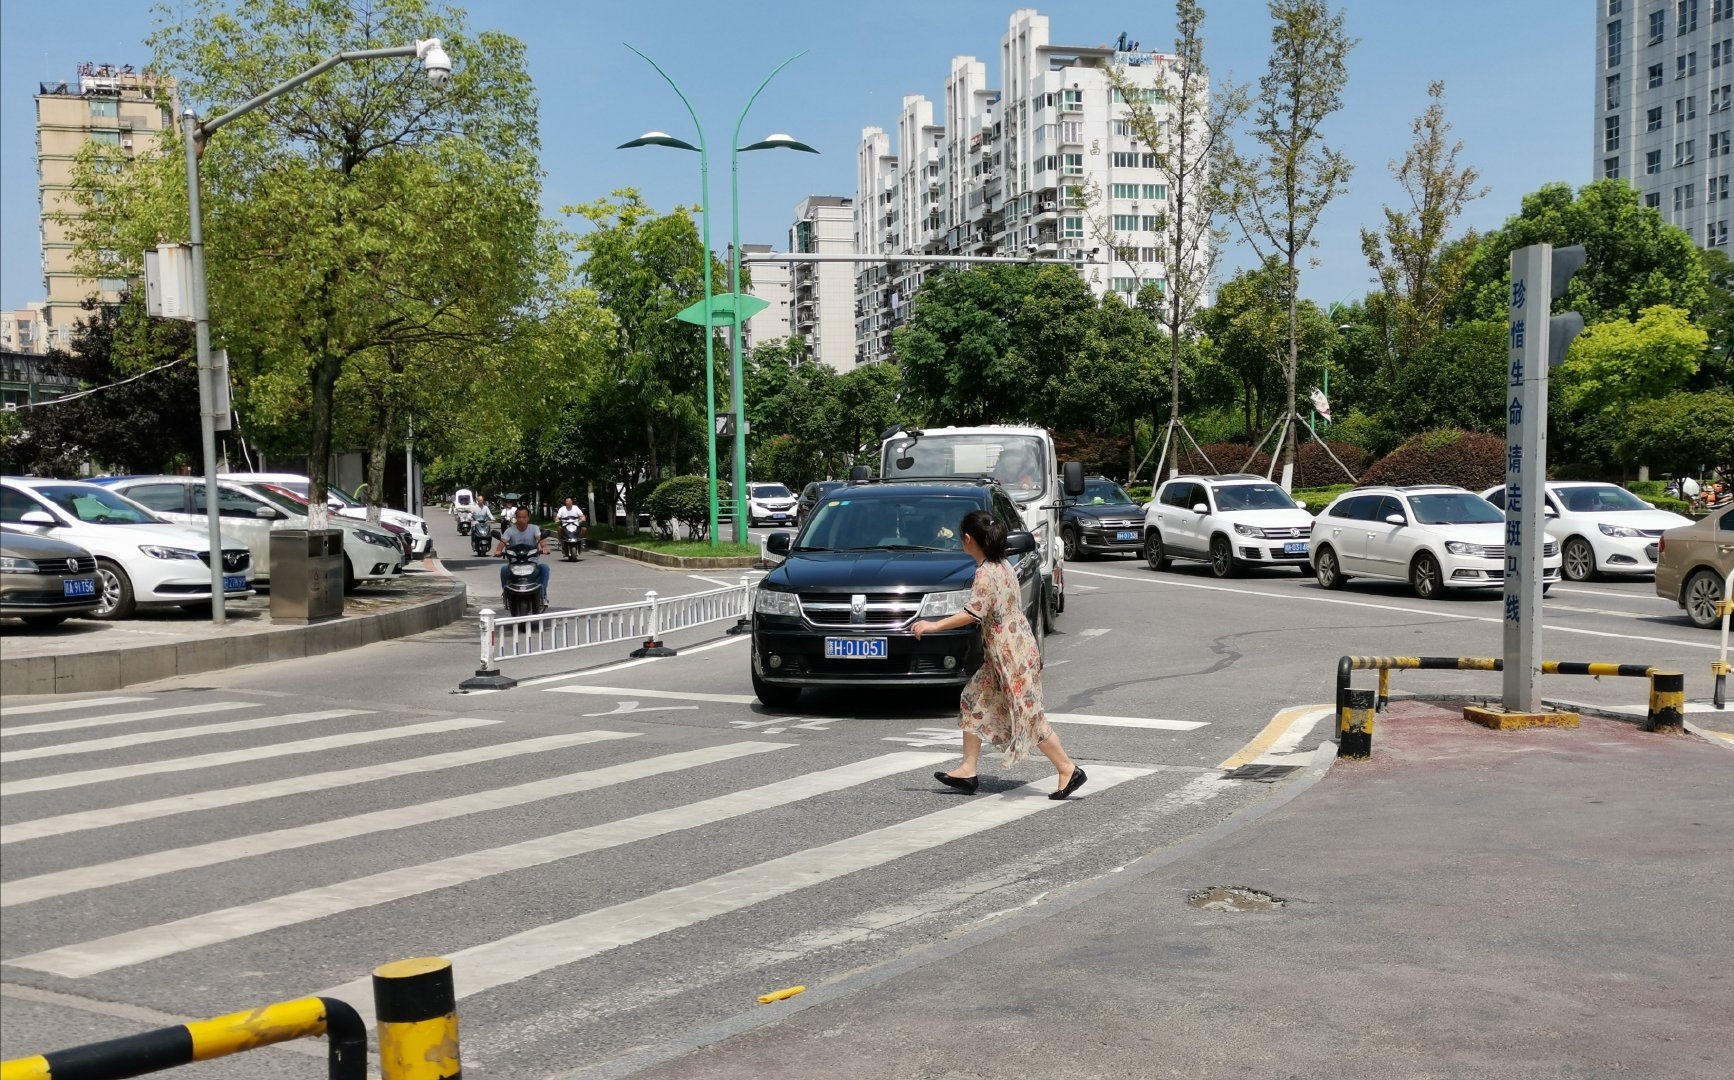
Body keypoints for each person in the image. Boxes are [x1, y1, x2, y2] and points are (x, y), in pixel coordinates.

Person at [911, 509, 1086, 800]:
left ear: (968, 539)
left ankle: (1068, 768)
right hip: (1010, 648)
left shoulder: (985, 573)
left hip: (1011, 653)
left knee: (1028, 715)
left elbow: (973, 613)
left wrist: (933, 625)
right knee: (972, 699)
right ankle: (968, 769)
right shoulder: (1002, 563)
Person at [494, 505, 550, 609]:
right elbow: (502, 542)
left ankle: (543, 594)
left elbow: (540, 540)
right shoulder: (510, 531)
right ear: (516, 517)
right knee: (504, 569)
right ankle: (506, 594)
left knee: (545, 568)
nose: (521, 519)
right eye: (519, 517)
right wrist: (498, 551)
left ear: (528, 517)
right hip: (515, 564)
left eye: (524, 517)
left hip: (532, 563)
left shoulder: (534, 529)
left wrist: (544, 548)